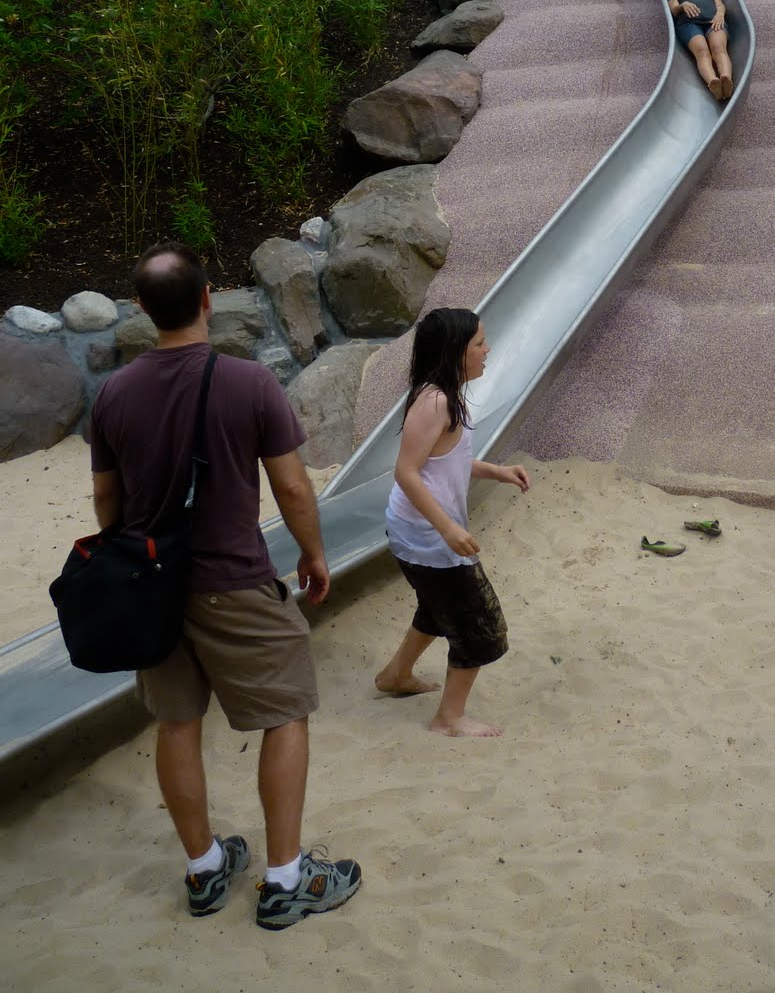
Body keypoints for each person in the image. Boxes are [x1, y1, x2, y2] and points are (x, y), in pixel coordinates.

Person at [89, 241, 361, 929]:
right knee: (285, 711)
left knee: (176, 720)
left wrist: (132, 559)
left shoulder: (115, 394)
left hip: (152, 586)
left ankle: (205, 868)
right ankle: (285, 879)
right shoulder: (249, 383)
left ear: (144, 310)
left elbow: (105, 502)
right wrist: (314, 553)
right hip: (233, 580)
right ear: (208, 299)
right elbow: (293, 485)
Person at [374, 308, 530, 737]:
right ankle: (449, 719)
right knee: (481, 629)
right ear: (455, 352)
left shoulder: (447, 394)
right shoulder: (435, 401)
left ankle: (395, 676)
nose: (487, 349)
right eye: (479, 343)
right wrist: (447, 528)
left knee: (435, 607)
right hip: (425, 537)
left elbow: (445, 460)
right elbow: (406, 472)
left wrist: (495, 471)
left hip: (421, 534)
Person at [668, 0, 733, 100]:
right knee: (702, 51)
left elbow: (720, 5)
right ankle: (713, 81)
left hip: (713, 21)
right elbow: (674, 9)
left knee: (719, 48)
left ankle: (726, 80)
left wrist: (720, 14)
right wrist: (682, 5)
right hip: (689, 24)